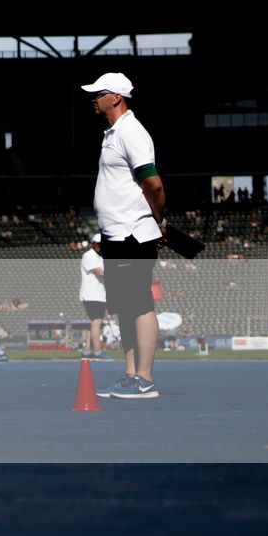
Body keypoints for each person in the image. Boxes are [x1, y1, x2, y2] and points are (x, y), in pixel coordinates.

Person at [82, 71, 167, 400]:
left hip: (133, 234)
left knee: (140, 305)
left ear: (115, 97)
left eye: (98, 93)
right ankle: (132, 375)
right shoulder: (114, 132)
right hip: (118, 234)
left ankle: (145, 379)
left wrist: (157, 220)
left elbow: (153, 183)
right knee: (126, 308)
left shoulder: (131, 132)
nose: (94, 98)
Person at [79, 235, 106, 358]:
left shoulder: (100, 257)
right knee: (97, 322)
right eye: (98, 244)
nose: (101, 246)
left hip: (99, 295)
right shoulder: (89, 256)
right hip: (92, 295)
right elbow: (99, 272)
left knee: (93, 322)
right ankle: (97, 351)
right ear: (93, 244)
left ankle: (87, 350)